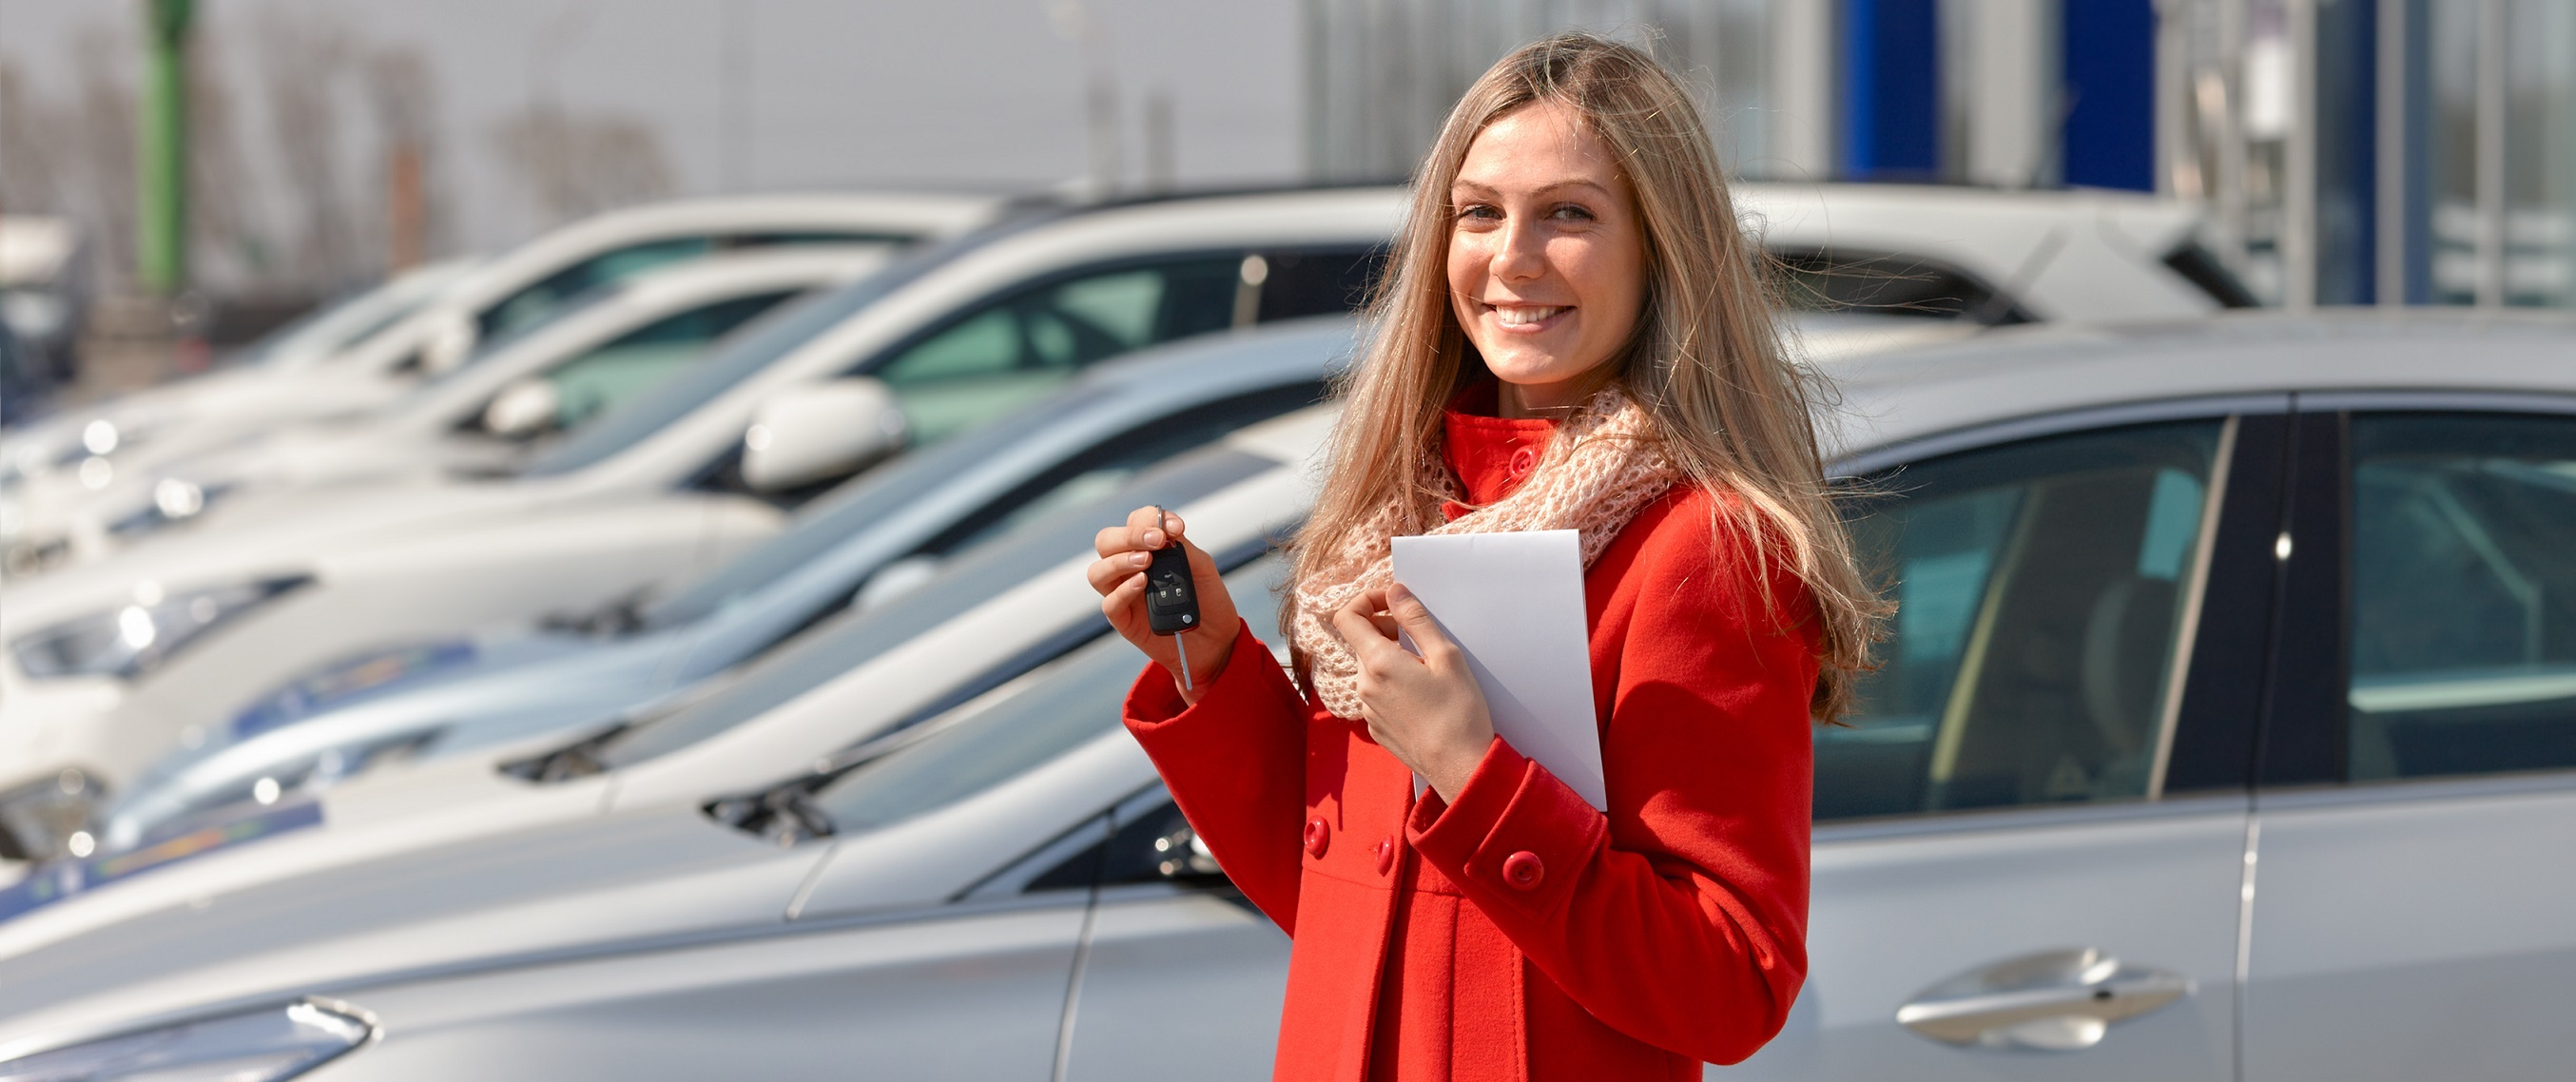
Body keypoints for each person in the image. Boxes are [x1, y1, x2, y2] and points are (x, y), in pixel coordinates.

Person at [1086, 32, 1884, 1082]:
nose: (1512, 256)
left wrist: (1473, 773)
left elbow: (1734, 986)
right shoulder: (1396, 511)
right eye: (1480, 212)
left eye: (1570, 213)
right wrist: (1218, 665)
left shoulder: (1704, 546)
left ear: (1662, 246)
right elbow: (1341, 902)